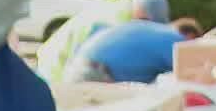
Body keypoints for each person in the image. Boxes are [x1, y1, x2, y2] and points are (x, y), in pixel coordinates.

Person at [34, 0, 170, 84]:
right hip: (57, 65)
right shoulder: (114, 20)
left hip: (61, 61)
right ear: (142, 15)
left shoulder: (120, 10)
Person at [61, 17, 195, 84]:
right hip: (96, 74)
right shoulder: (176, 41)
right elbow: (189, 78)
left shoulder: (149, 29)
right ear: (189, 36)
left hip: (77, 66)